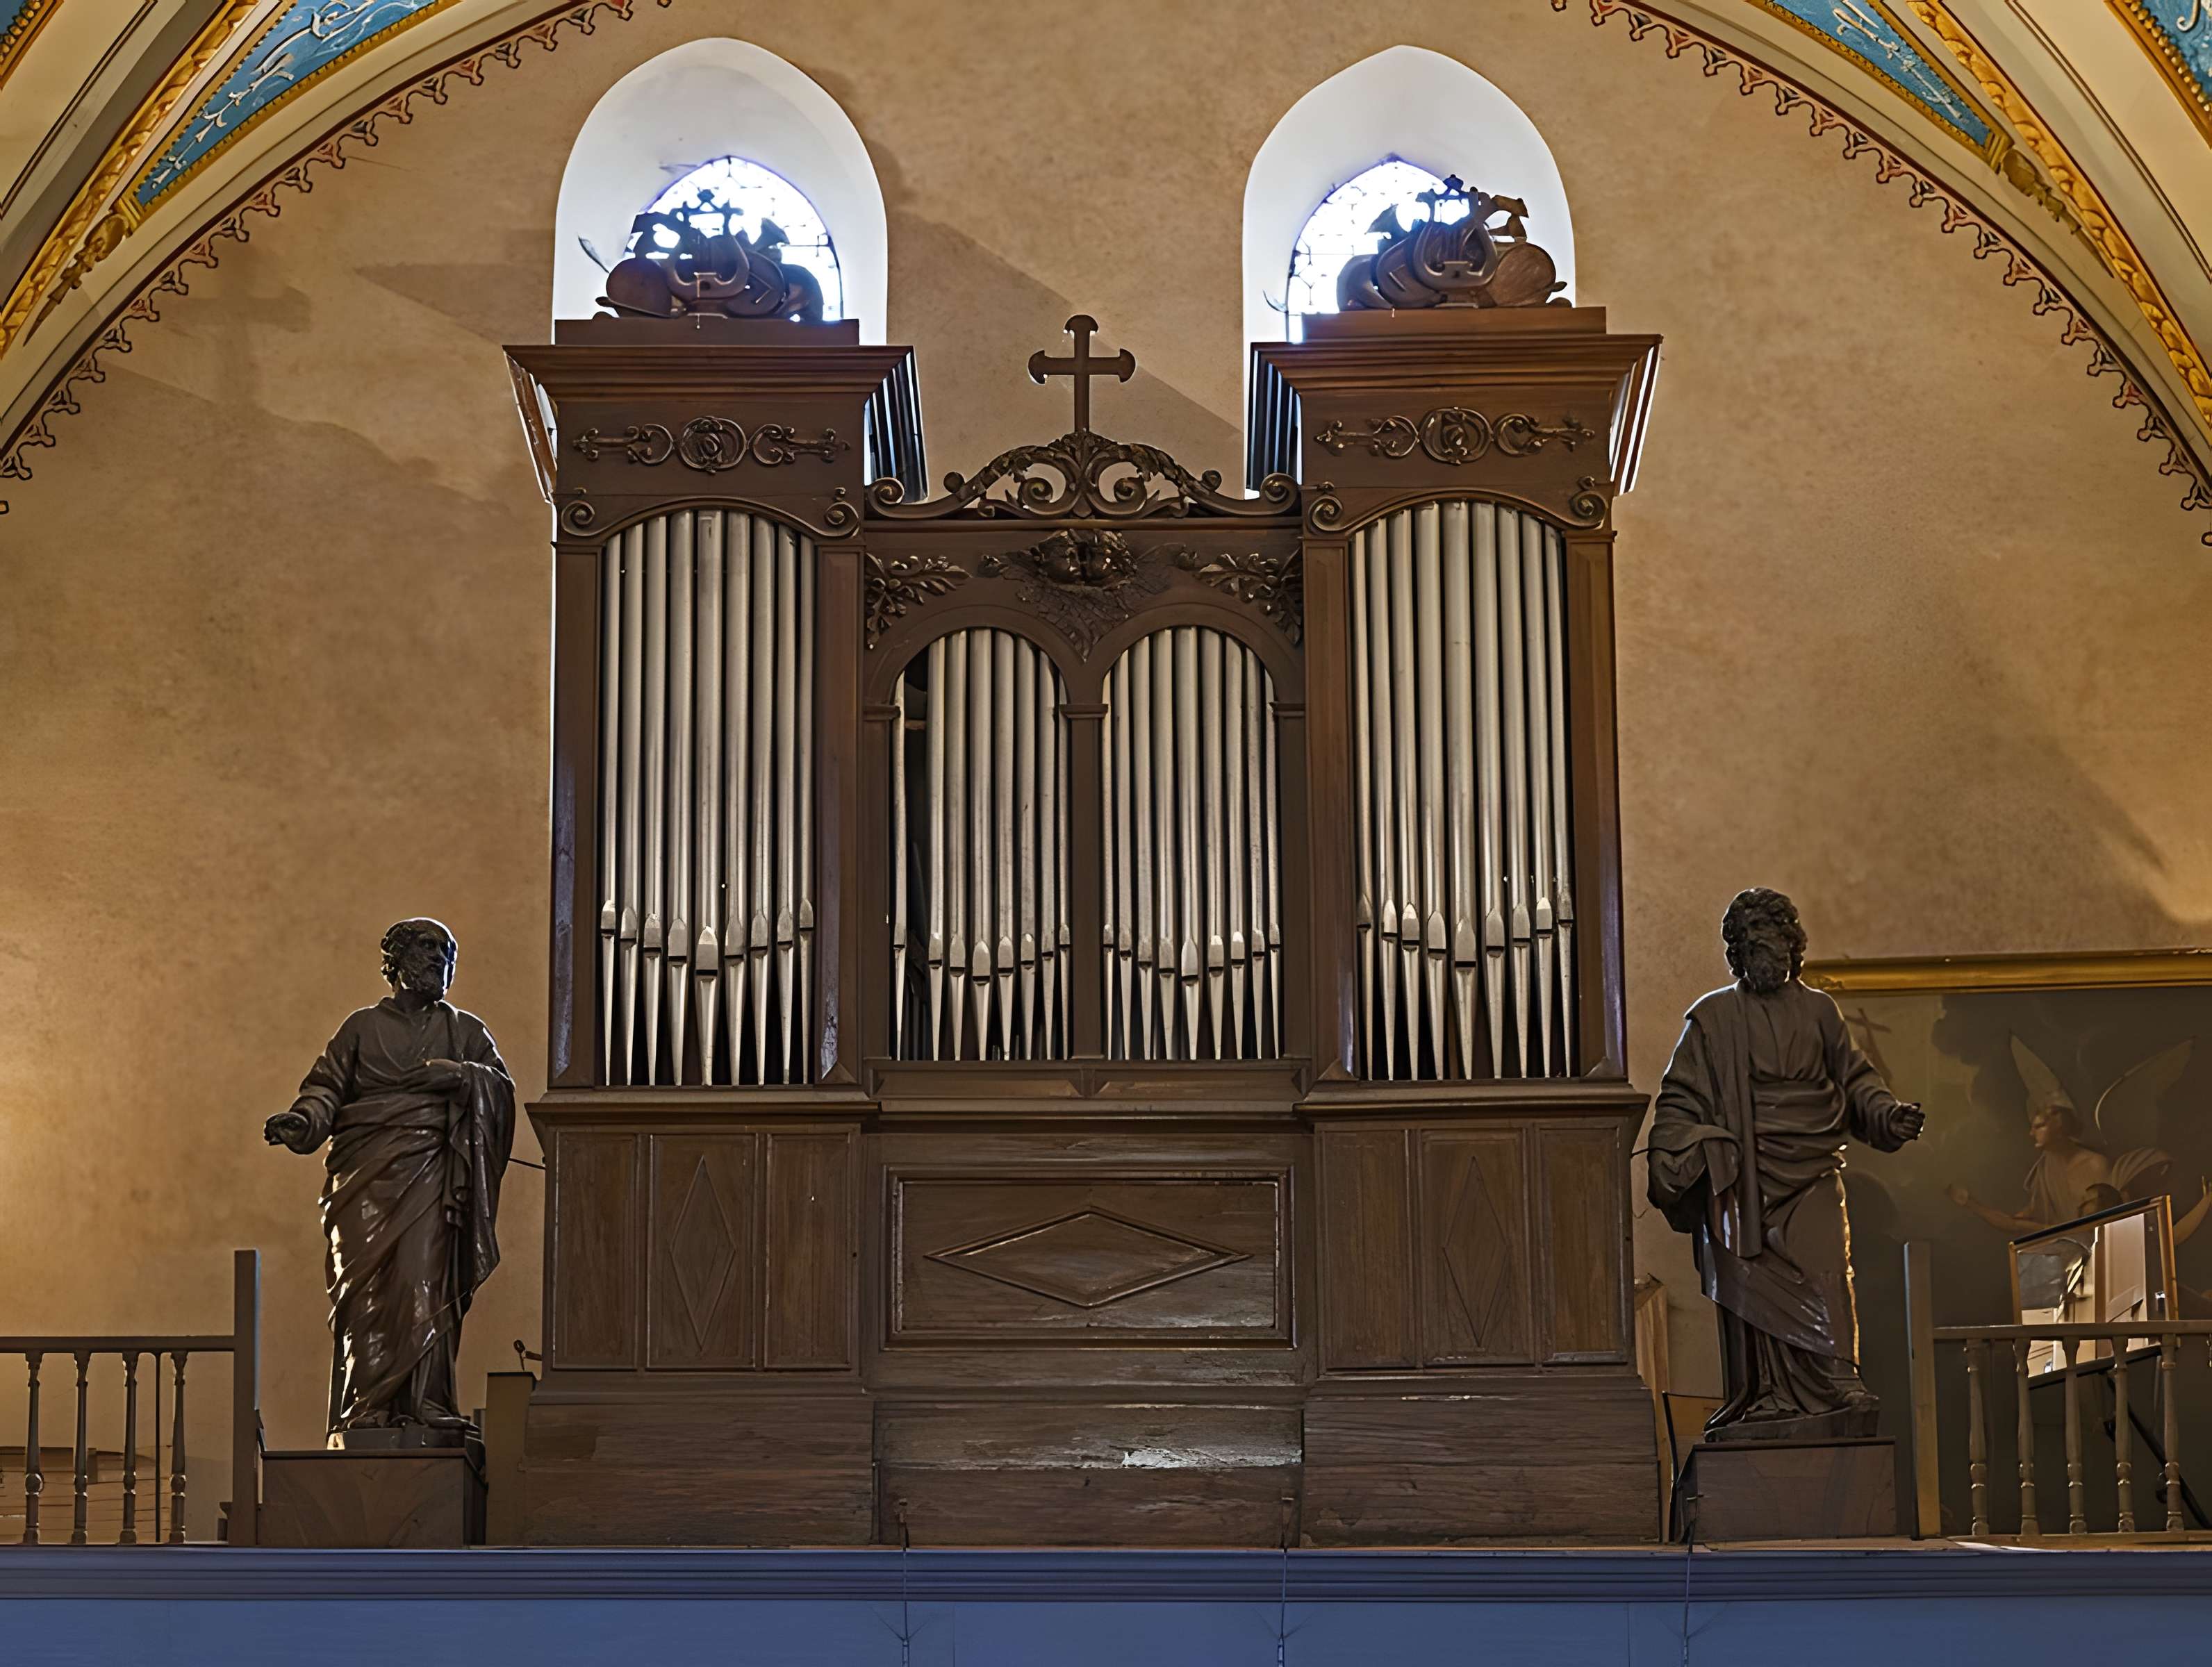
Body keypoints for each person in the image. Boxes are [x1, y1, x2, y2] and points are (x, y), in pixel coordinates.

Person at [1646, 888, 1925, 1441]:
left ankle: (1837, 1378)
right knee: (1756, 1291)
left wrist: (1887, 1115)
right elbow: (1679, 1098)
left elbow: (1857, 1080)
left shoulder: (1821, 1011)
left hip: (1811, 1169)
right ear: (1736, 954)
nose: (1761, 954)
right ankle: (1768, 1396)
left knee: (1828, 1271)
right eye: (1749, 946)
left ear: (1792, 947)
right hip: (1742, 1179)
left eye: (1770, 942)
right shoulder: (1713, 1017)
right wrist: (1684, 1146)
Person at [265, 919, 514, 1441]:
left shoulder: (466, 1032)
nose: (439, 960)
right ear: (396, 959)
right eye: (427, 948)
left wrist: (460, 1075)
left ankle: (426, 1403)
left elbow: (501, 1092)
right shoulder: (360, 1028)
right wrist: (304, 1121)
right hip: (363, 1178)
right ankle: (365, 1409)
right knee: (365, 1299)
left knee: (423, 1285)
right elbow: (326, 1088)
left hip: (431, 1175)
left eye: (448, 953)